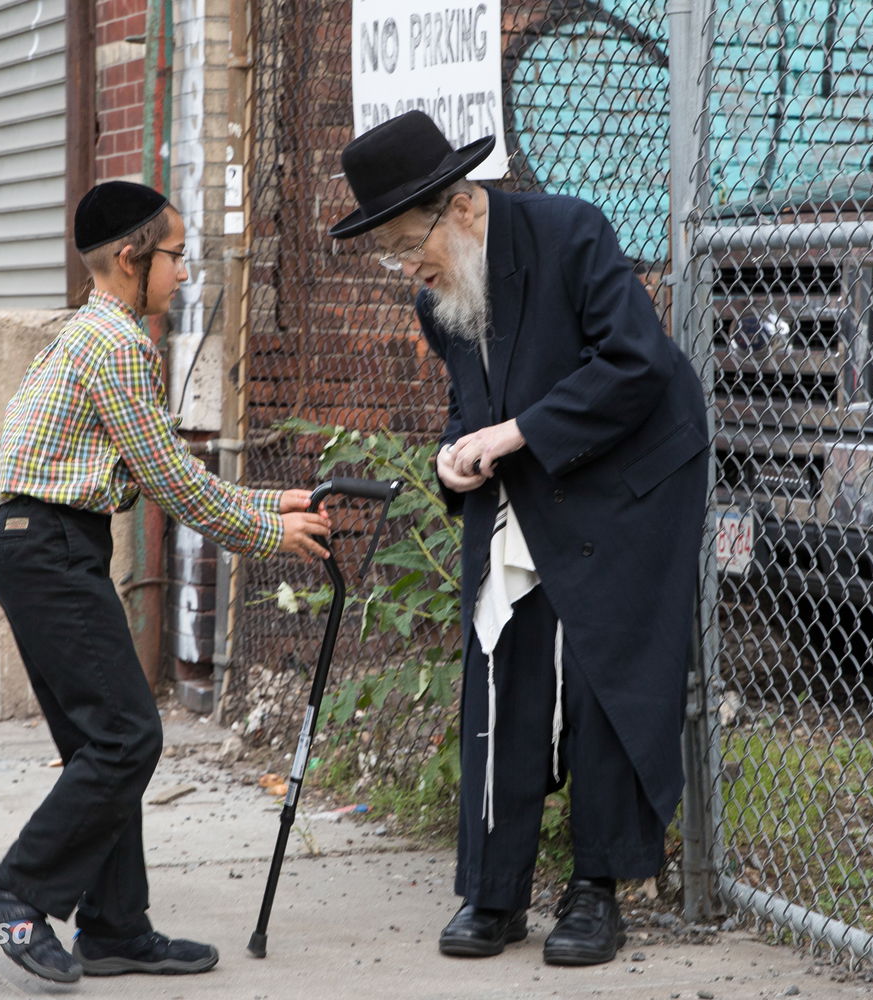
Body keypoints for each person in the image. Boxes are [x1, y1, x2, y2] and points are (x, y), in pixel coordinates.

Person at [328, 112, 708, 967]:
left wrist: (515, 434)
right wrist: (452, 456)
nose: (405, 269)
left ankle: (596, 890)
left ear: (461, 208)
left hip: (633, 478)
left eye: (404, 244)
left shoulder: (571, 233)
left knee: (602, 673)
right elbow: (471, 406)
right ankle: (494, 892)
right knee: (505, 670)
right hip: (531, 480)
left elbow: (637, 364)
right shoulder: (442, 300)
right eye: (387, 253)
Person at [0, 180, 331, 983]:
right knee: (131, 736)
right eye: (175, 256)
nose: (185, 273)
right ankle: (12, 890)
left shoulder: (97, 334)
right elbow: (169, 482)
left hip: (39, 545)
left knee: (104, 744)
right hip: (50, 549)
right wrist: (270, 531)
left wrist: (273, 500)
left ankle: (116, 927)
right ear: (132, 258)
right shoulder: (117, 346)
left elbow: (163, 465)